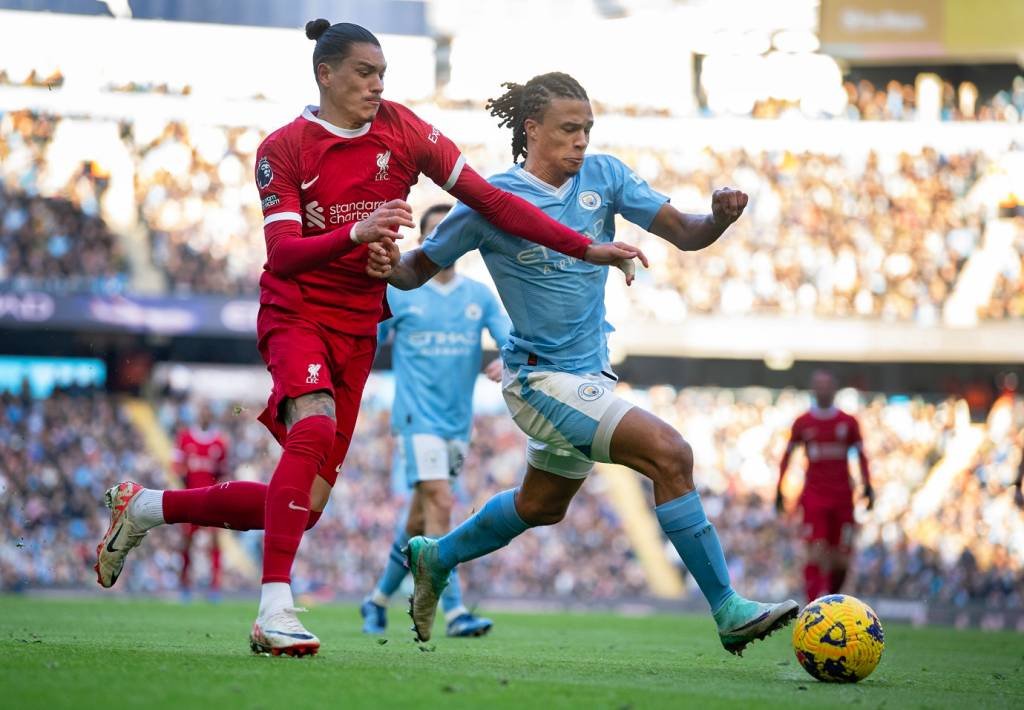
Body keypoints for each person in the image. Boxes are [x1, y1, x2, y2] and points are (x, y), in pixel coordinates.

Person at [93, 21, 644, 658]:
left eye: (383, 73)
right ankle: (274, 609)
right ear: (324, 74)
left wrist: (586, 246)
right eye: (364, 72)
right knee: (316, 425)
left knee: (305, 505)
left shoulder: (403, 130)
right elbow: (283, 256)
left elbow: (491, 201)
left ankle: (148, 508)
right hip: (295, 311)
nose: (377, 84)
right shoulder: (284, 148)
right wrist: (354, 237)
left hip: (358, 327)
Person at [367, 72, 798, 654]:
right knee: (671, 455)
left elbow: (687, 233)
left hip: (589, 375)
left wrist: (718, 218)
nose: (581, 142)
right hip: (538, 380)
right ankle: (727, 609)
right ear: (532, 129)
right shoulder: (490, 202)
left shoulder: (606, 177)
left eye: (587, 130)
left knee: (540, 506)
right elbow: (417, 270)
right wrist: (382, 258)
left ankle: (436, 556)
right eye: (569, 130)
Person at [360, 203, 508, 638]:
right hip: (415, 417)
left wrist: (508, 357)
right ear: (423, 242)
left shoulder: (478, 296)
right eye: (433, 234)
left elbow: (507, 334)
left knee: (418, 519)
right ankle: (455, 611)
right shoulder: (401, 292)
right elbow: (367, 337)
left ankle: (377, 599)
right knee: (442, 503)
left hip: (456, 424)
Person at [776, 369, 874, 602]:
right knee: (815, 549)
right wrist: (779, 488)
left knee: (842, 557)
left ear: (834, 389)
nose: (822, 389)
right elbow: (786, 456)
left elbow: (862, 456)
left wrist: (868, 485)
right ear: (813, 389)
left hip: (842, 497)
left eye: (826, 385)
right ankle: (814, 604)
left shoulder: (848, 423)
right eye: (818, 385)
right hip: (815, 496)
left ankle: (831, 598)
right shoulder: (803, 423)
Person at [172, 402, 228, 600]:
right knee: (186, 542)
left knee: (214, 542)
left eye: (207, 413)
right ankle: (184, 584)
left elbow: (222, 473)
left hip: (211, 501)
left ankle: (215, 587)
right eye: (202, 412)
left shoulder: (220, 443)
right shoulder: (185, 438)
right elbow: (177, 467)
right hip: (190, 499)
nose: (204, 416)